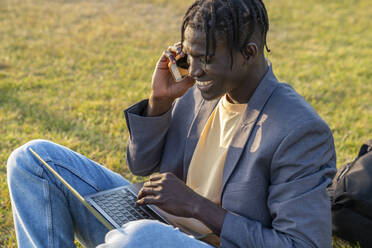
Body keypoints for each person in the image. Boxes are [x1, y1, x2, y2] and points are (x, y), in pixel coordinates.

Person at [7, 0, 337, 247]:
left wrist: (197, 206)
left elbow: (303, 243)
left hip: (177, 239)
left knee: (138, 237)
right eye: (189, 56)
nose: (193, 71)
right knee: (33, 159)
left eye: (206, 59)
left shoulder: (298, 130)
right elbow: (141, 165)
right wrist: (159, 102)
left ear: (248, 53)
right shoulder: (201, 91)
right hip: (152, 224)